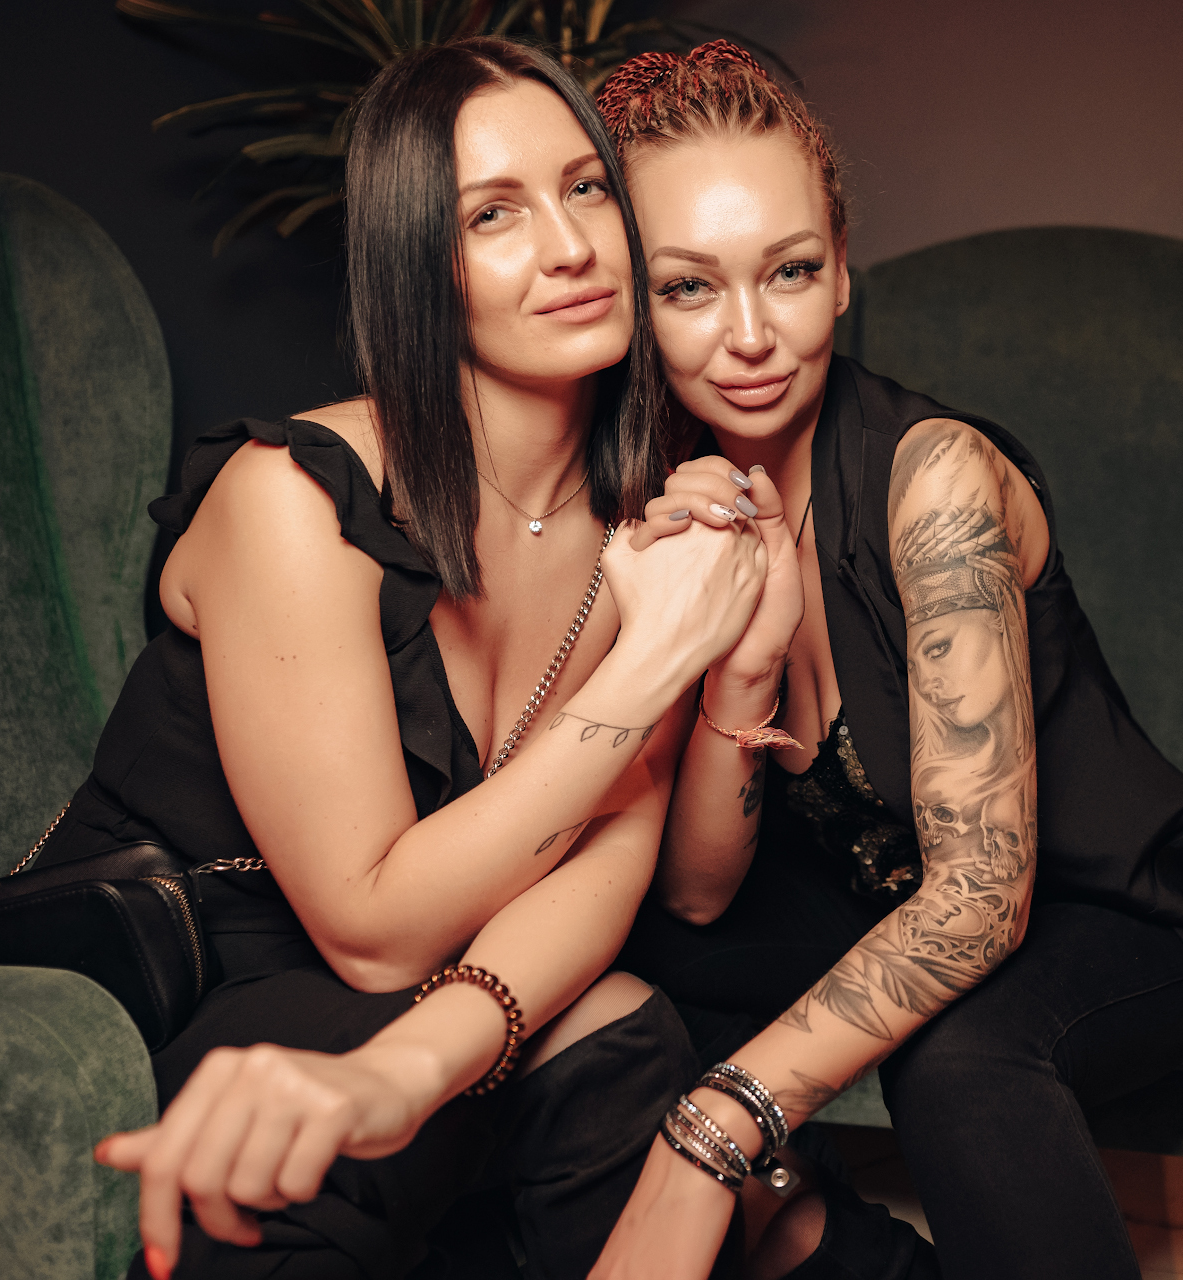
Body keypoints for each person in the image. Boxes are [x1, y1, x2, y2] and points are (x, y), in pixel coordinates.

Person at [590, 43, 1183, 1280]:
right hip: (878, 888)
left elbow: (982, 899)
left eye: (790, 271)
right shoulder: (675, 499)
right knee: (610, 973)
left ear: (843, 269)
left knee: (962, 1055)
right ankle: (825, 1243)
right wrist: (738, 663)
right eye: (690, 287)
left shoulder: (939, 479)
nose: (750, 335)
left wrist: (716, 1124)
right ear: (635, 304)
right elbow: (701, 899)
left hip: (1111, 909)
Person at [75, 38, 770, 1279]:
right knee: (340, 1146)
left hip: (429, 982)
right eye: (494, 214)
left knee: (631, 1039)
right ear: (417, 268)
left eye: (587, 188)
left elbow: (607, 867)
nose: (570, 245)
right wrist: (655, 659)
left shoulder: (646, 518)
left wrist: (430, 1050)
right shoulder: (293, 497)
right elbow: (373, 931)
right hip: (183, 971)